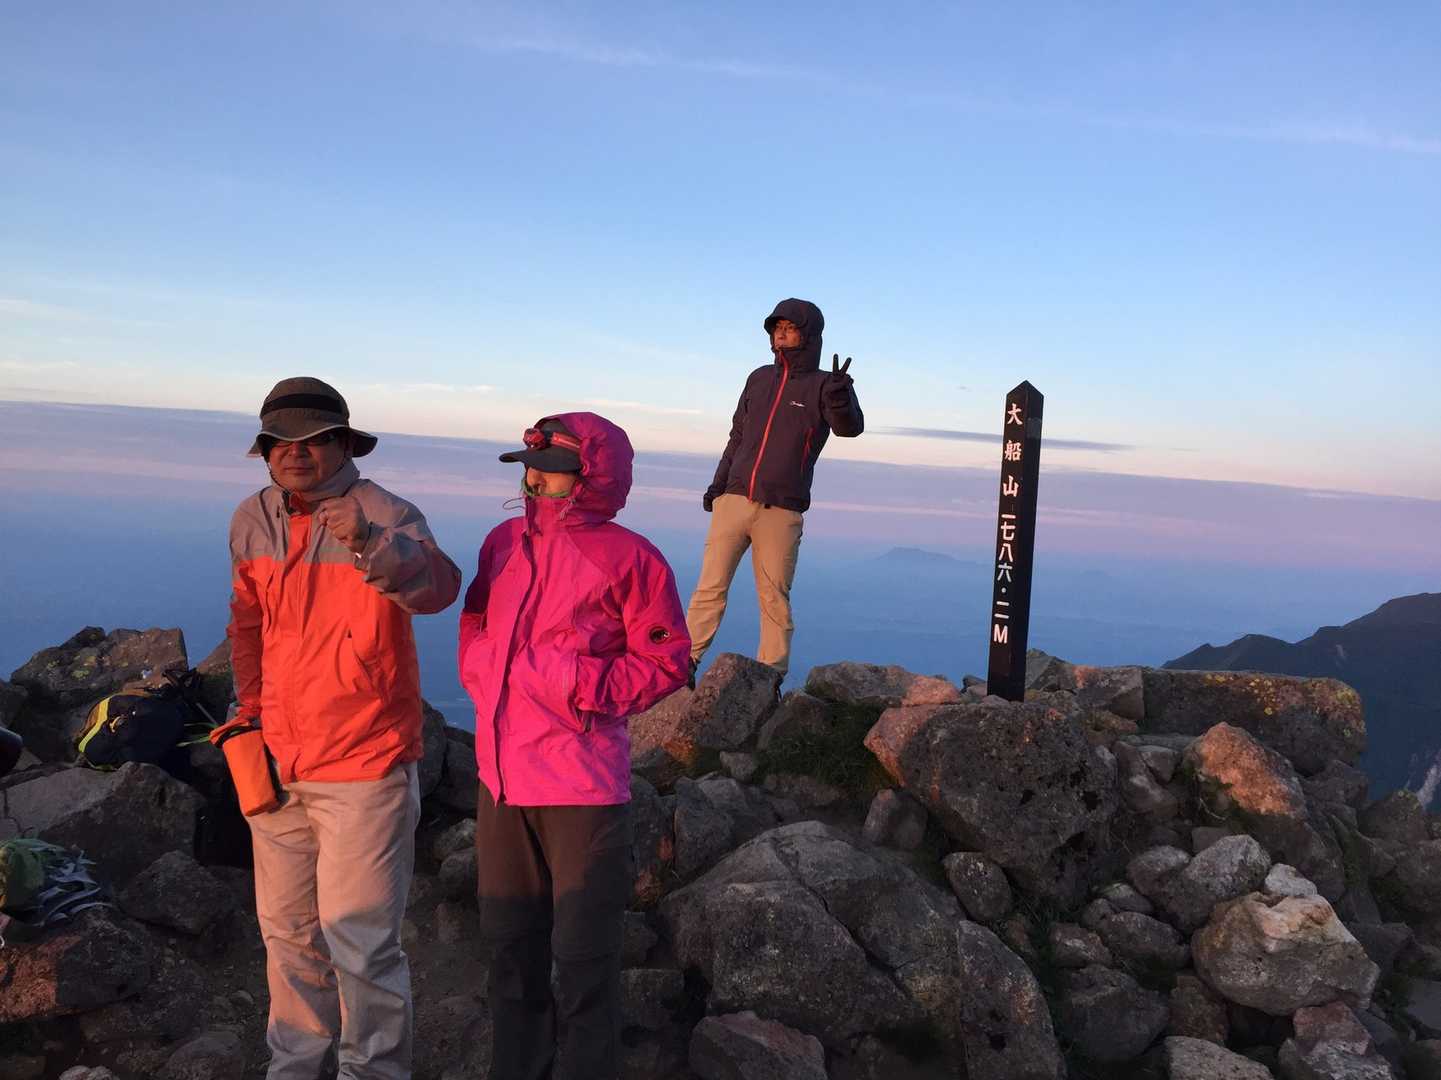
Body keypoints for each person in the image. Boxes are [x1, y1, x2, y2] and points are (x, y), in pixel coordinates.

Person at [227, 376, 462, 1080]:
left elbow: (439, 589)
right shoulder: (251, 517)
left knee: (362, 946)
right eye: (280, 441)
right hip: (278, 761)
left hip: (365, 763)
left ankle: (374, 1072)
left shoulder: (385, 511)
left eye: (312, 440)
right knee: (288, 938)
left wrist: (369, 542)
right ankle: (294, 1068)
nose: (294, 453)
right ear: (266, 450)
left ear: (342, 445)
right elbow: (247, 623)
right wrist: (250, 713)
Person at [459, 413, 689, 1080]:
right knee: (511, 955)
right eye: (531, 467)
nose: (535, 479)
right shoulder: (503, 542)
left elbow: (667, 662)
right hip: (502, 782)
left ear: (592, 477)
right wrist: (478, 668)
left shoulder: (631, 557)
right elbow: (476, 618)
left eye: (553, 470)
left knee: (584, 964)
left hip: (580, 787)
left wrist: (570, 684)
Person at [686, 297, 864, 680]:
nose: (781, 335)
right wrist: (718, 486)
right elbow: (737, 437)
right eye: (777, 328)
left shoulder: (824, 384)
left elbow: (850, 428)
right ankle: (682, 664)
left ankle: (769, 678)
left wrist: (840, 397)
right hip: (734, 500)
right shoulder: (758, 378)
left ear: (808, 335)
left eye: (790, 328)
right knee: (709, 589)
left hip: (781, 510)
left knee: (774, 599)